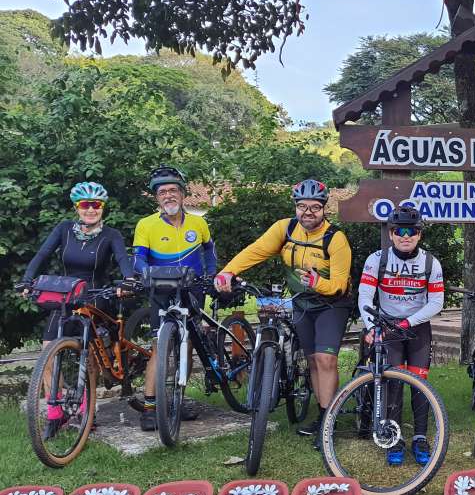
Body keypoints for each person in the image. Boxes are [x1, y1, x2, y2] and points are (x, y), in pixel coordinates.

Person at [215, 179, 353, 448]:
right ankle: (323, 413)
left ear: (324, 209)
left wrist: (317, 283)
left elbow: (338, 283)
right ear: (295, 207)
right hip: (302, 303)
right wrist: (229, 271)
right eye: (302, 206)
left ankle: (329, 421)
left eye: (315, 207)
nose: (308, 212)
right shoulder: (285, 228)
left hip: (332, 304)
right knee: (313, 361)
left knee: (326, 360)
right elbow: (256, 251)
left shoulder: (336, 239)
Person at [21, 182, 135, 439]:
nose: (91, 210)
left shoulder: (111, 235)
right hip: (66, 296)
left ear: (102, 208)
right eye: (86, 205)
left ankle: (87, 409)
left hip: (95, 297)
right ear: (77, 207)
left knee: (90, 355)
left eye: (96, 205)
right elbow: (42, 254)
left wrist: (128, 280)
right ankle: (56, 408)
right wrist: (27, 279)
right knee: (48, 350)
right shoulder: (64, 229)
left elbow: (123, 261)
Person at [133, 165, 217, 431]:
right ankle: (150, 406)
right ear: (157, 198)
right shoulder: (146, 225)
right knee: (160, 347)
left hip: (192, 290)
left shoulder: (198, 222)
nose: (168, 195)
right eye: (162, 192)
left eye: (173, 190)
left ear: (182, 195)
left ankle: (178, 398)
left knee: (188, 343)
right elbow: (138, 259)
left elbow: (209, 251)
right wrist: (143, 274)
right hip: (161, 289)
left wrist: (212, 276)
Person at [358, 205, 444, 466]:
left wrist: (408, 322)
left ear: (419, 235)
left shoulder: (431, 262)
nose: (406, 236)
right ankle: (394, 438)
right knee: (392, 381)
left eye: (412, 231)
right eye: (400, 231)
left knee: (420, 383)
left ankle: (419, 437)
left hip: (417, 326)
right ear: (392, 233)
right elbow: (364, 295)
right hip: (387, 325)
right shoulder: (377, 259)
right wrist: (372, 326)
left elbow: (436, 302)